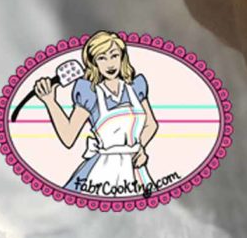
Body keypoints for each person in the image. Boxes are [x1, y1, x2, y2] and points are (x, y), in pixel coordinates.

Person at [33, 32, 160, 194]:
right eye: (102, 58)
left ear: (122, 57)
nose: (110, 63)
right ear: (93, 63)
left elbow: (151, 125)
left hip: (135, 168)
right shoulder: (89, 93)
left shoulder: (136, 87)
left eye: (114, 55)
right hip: (101, 170)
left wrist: (140, 148)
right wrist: (50, 101)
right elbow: (68, 136)